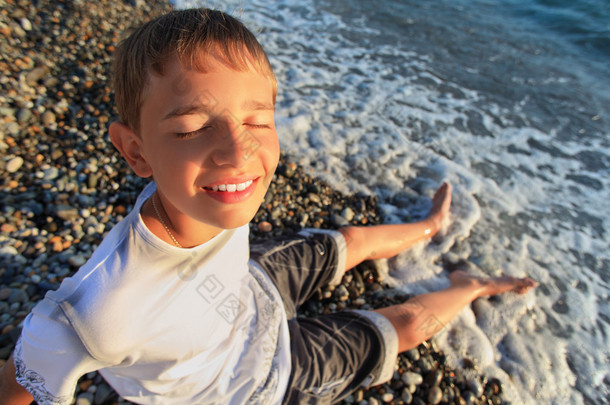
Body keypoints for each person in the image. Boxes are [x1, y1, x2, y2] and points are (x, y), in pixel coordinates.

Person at [0, 8, 536, 405]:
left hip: (250, 289)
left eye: (257, 120)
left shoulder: (210, 195)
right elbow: (21, 378)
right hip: (259, 380)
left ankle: (428, 225)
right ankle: (472, 286)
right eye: (191, 128)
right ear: (135, 150)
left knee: (341, 244)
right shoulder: (100, 313)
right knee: (404, 326)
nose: (240, 152)